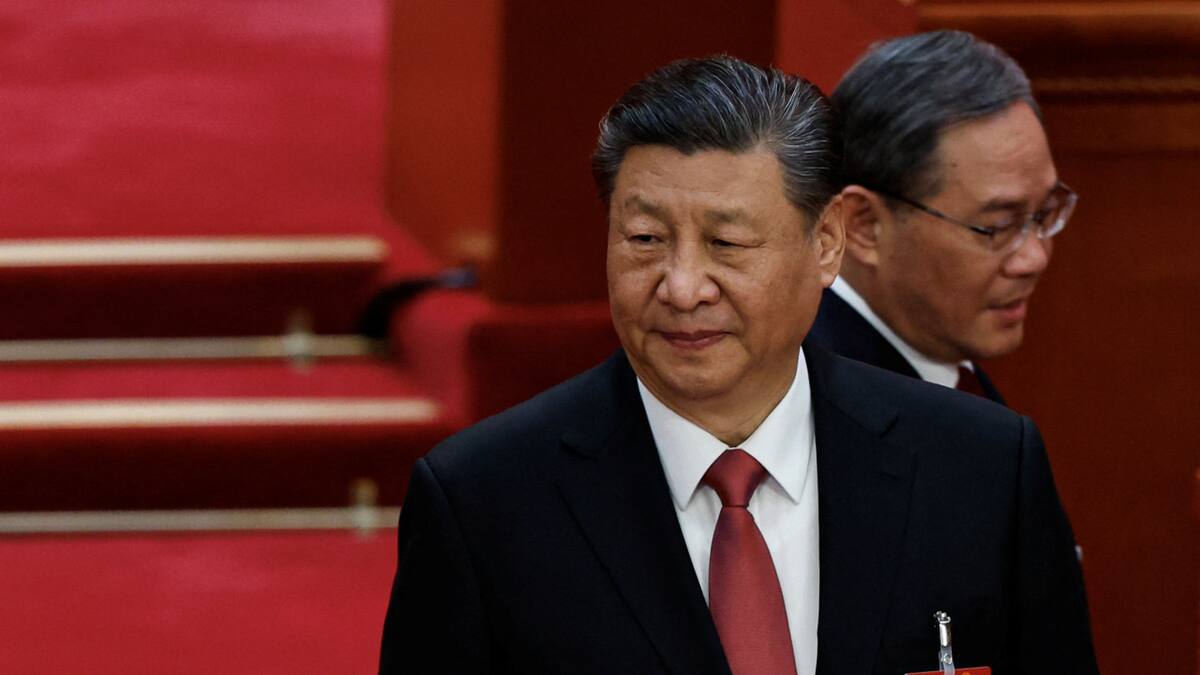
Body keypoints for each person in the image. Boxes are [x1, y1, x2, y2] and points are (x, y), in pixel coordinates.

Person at [379, 55, 1096, 674]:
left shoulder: (983, 470)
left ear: (826, 244)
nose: (682, 285)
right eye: (644, 237)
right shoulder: (485, 501)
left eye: (727, 244)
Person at [808, 30, 1076, 404]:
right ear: (864, 225)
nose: (1035, 257)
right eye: (997, 226)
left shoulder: (949, 375)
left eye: (1044, 212)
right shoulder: (809, 402)